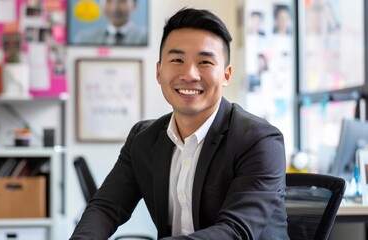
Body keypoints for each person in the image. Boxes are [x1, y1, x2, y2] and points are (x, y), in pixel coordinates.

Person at [70, 8, 288, 239]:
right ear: (159, 71)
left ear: (226, 75)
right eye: (177, 60)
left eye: (205, 61)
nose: (190, 74)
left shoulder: (258, 140)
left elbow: (235, 232)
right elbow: (105, 208)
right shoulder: (143, 139)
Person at [79, 0, 147, 46]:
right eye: (109, 1)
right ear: (100, 5)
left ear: (134, 5)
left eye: (122, 1)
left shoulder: (147, 37)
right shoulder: (85, 39)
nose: (115, 8)